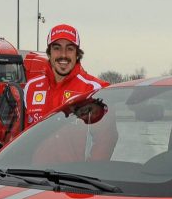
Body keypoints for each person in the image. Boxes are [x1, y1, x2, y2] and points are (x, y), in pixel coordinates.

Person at [23, 24, 116, 161]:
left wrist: (89, 172)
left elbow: (106, 138)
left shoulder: (94, 89)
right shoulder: (31, 87)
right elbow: (23, 138)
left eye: (70, 49)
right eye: (57, 48)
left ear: (77, 54)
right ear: (49, 52)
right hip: (32, 178)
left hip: (72, 180)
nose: (63, 55)